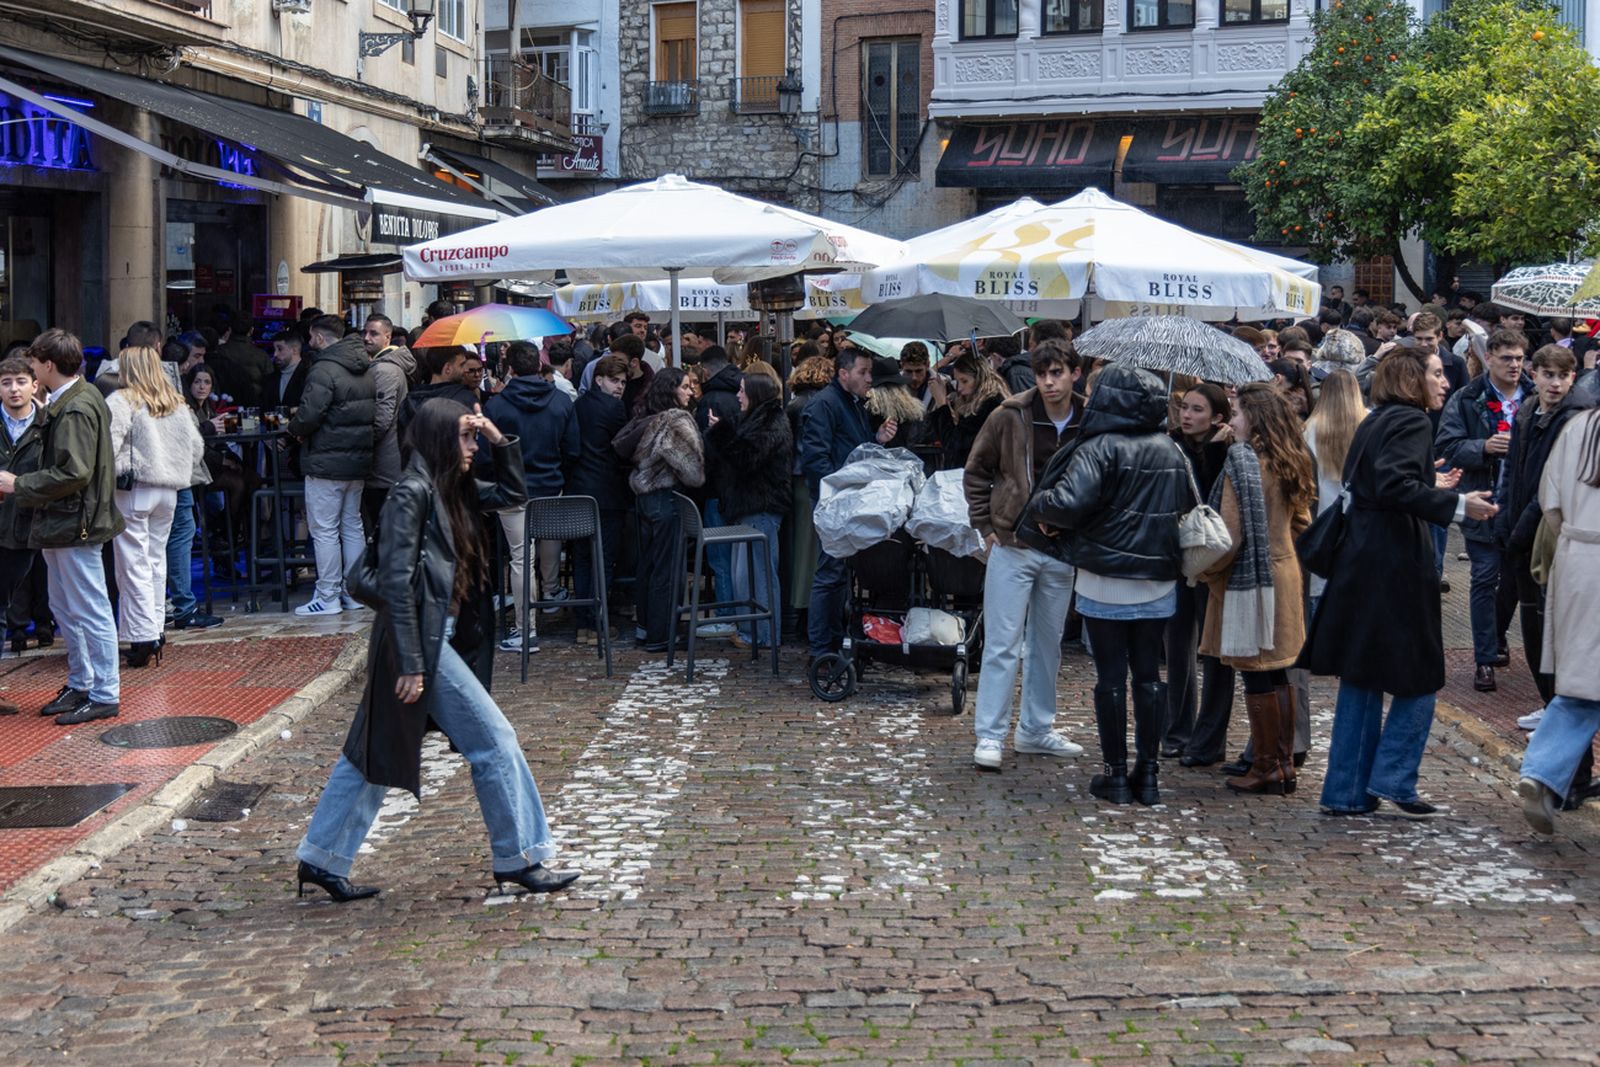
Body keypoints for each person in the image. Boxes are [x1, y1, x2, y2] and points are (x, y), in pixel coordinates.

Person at [295, 399, 578, 901]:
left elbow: (514, 493)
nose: (472, 447)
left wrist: (498, 438)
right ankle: (520, 857)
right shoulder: (412, 493)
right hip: (419, 642)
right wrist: (412, 662)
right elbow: (397, 582)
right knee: (494, 740)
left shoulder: (450, 487)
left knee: (372, 753)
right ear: (440, 439)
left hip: (425, 639)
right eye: (465, 438)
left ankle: (320, 858)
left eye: (473, 438)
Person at [1302, 350, 1497, 818]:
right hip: (1392, 561)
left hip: (1364, 557)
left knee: (1362, 674)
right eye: (1436, 374)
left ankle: (1348, 791)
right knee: (1423, 671)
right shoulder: (1411, 421)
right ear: (1413, 379)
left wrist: (1431, 483)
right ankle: (1393, 777)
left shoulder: (1377, 419)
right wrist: (1457, 505)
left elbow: (1380, 482)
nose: (1445, 382)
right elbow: (1393, 486)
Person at [1028, 365, 1190, 805]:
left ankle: (1115, 774)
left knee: (1111, 677)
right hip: (1157, 578)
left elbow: (1065, 504)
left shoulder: (1097, 448)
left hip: (1104, 577)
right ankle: (1148, 775)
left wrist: (1039, 501)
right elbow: (1185, 504)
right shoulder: (1170, 449)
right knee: (1149, 676)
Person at [963, 340, 1087, 772]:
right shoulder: (1010, 414)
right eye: (1042, 373)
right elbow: (977, 470)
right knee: (1002, 642)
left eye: (1057, 373)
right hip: (1013, 542)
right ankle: (990, 733)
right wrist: (986, 525)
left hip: (1061, 548)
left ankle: (1035, 727)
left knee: (1047, 644)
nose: (1049, 382)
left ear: (1074, 373)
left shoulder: (1088, 418)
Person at [1194, 384, 1316, 797]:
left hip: (1249, 580)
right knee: (1278, 671)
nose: (1232, 421)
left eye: (1237, 413)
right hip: (1284, 572)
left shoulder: (1243, 462)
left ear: (1255, 418)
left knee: (1256, 671)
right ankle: (1283, 764)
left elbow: (1228, 537)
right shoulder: (1291, 457)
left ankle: (1266, 766)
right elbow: (1302, 522)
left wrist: (1205, 571)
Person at [0, 330, 125, 725]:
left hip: (74, 522)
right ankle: (83, 683)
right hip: (65, 521)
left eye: (34, 364)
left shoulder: (74, 407)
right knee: (67, 606)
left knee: (87, 608)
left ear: (48, 365)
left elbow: (74, 472)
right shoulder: (76, 399)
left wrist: (19, 484)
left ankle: (103, 692)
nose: (31, 369)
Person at [1495, 346, 1584, 776]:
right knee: (1531, 630)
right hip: (1520, 529)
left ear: (1572, 379)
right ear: (1534, 374)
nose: (1554, 383)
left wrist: (1519, 530)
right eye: (1547, 374)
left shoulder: (1574, 419)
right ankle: (1550, 707)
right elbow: (1514, 470)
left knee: (1550, 633)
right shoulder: (1530, 411)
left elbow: (1549, 486)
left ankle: (1560, 724)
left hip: (1548, 539)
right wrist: (1503, 516)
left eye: (1561, 376)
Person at [1517, 405, 1600, 833]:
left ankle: (1542, 770)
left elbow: (1550, 503)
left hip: (1577, 558)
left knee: (1582, 682)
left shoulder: (1578, 426)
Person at [1436, 328, 1534, 692]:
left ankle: (1496, 636)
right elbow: (1447, 446)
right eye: (1507, 358)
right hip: (1483, 502)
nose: (1514, 365)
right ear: (1489, 357)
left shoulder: (1534, 397)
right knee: (1484, 577)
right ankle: (1484, 658)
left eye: (1519, 358)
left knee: (1512, 580)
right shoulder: (1467, 398)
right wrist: (1483, 447)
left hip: (1521, 507)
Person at [106, 347, 208, 669]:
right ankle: (155, 629)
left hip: (134, 488)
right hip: (169, 490)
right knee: (154, 560)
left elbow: (109, 445)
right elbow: (197, 448)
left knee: (132, 565)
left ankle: (143, 636)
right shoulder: (175, 402)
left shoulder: (122, 400)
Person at [484, 340, 579, 653]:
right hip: (550, 483)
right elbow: (573, 449)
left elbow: (487, 454)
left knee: (520, 557)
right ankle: (549, 593)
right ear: (539, 365)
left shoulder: (497, 406)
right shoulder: (561, 401)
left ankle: (527, 628)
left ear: (510, 368)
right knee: (548, 540)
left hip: (513, 488)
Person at [800, 348, 895, 661]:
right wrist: (836, 493)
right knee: (830, 573)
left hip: (847, 498)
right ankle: (821, 648)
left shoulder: (852, 403)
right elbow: (816, 459)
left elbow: (854, 449)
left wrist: (877, 439)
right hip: (834, 501)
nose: (869, 378)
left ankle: (833, 641)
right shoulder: (825, 404)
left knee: (838, 573)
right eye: (863, 372)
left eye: (869, 372)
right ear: (844, 374)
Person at [1166, 383, 1238, 767]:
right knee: (1177, 645)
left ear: (1218, 417)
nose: (1187, 415)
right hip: (1179, 553)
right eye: (1184, 407)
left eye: (1197, 409)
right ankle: (1176, 729)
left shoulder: (1228, 451)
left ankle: (1210, 737)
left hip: (1214, 557)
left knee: (1213, 650)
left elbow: (1218, 500)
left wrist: (1215, 451)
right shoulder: (1170, 445)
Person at [290, 316, 377, 617]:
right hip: (358, 459)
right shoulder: (364, 366)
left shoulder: (323, 368)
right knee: (352, 525)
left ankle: (327, 596)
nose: (309, 342)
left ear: (319, 337)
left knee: (325, 529)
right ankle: (353, 593)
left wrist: (293, 428)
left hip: (326, 460)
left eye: (311, 337)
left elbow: (309, 415)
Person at [612, 370, 705, 652]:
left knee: (649, 566)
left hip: (645, 498)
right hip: (666, 498)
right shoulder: (675, 420)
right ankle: (661, 634)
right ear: (670, 390)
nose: (690, 392)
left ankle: (646, 628)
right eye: (685, 387)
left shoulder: (646, 416)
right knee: (667, 569)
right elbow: (693, 472)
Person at [705, 372, 792, 649]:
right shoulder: (756, 418)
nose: (738, 396)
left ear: (755, 394)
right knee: (745, 574)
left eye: (743, 391)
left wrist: (721, 432)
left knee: (758, 573)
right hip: (749, 505)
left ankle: (763, 635)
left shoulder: (771, 421)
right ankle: (751, 631)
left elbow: (746, 457)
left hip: (761, 505)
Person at [568, 354, 631, 642]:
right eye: (614, 381)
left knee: (582, 557)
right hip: (607, 491)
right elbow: (622, 447)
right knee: (603, 558)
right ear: (598, 380)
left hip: (579, 488)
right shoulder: (614, 408)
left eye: (623, 382)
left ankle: (583, 624)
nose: (619, 387)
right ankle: (597, 624)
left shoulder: (577, 405)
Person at [0, 355, 44, 713]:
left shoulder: (47, 425)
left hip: (23, 528)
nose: (14, 389)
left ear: (34, 385)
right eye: (6, 383)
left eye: (20, 382)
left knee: (4, 602)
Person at [785, 354, 833, 627]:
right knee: (809, 549)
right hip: (808, 479)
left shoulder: (795, 404)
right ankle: (805, 608)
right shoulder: (818, 404)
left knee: (801, 548)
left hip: (797, 479)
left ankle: (801, 607)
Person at [361, 314, 414, 535]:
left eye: (373, 333)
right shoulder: (384, 366)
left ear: (387, 337)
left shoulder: (385, 370)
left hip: (384, 465)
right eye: (365, 332)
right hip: (388, 463)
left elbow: (381, 420)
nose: (366, 338)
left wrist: (361, 443)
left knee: (382, 530)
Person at [928, 350, 1010, 471]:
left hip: (982, 475)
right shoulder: (971, 402)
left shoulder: (990, 405)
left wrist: (941, 403)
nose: (959, 388)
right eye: (957, 381)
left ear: (979, 377)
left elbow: (953, 442)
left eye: (964, 381)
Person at [398, 345, 479, 444]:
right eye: (461, 365)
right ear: (448, 368)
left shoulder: (409, 401)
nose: (465, 370)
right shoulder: (465, 400)